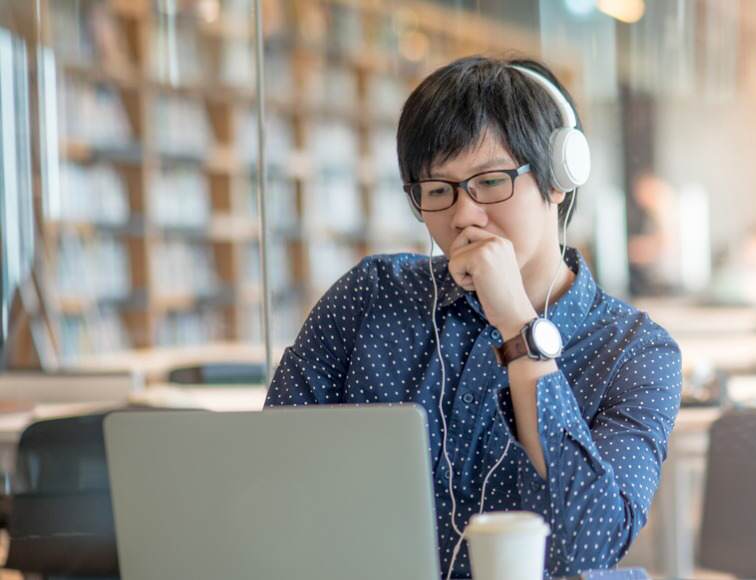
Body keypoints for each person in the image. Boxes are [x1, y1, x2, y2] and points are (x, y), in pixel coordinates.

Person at [264, 56, 682, 579]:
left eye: (489, 182)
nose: (463, 215)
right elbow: (272, 480)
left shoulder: (635, 351)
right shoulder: (369, 298)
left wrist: (516, 324)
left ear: (557, 181)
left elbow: (586, 546)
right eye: (438, 191)